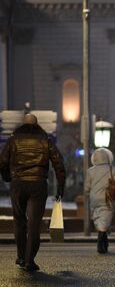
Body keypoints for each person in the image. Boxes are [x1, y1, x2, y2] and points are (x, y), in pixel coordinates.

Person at [0, 114, 65, 272]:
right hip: (38, 184)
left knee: (19, 222)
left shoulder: (13, 140)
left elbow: (2, 162)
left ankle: (21, 257)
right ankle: (30, 260)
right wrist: (60, 189)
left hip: (18, 184)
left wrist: (8, 177)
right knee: (34, 224)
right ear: (37, 125)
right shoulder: (45, 140)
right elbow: (59, 165)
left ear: (23, 124)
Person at [84, 147, 115, 254]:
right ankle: (101, 244)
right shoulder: (112, 169)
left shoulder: (90, 171)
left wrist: (89, 194)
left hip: (94, 199)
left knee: (98, 219)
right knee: (105, 221)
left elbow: (87, 187)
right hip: (107, 198)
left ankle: (104, 242)